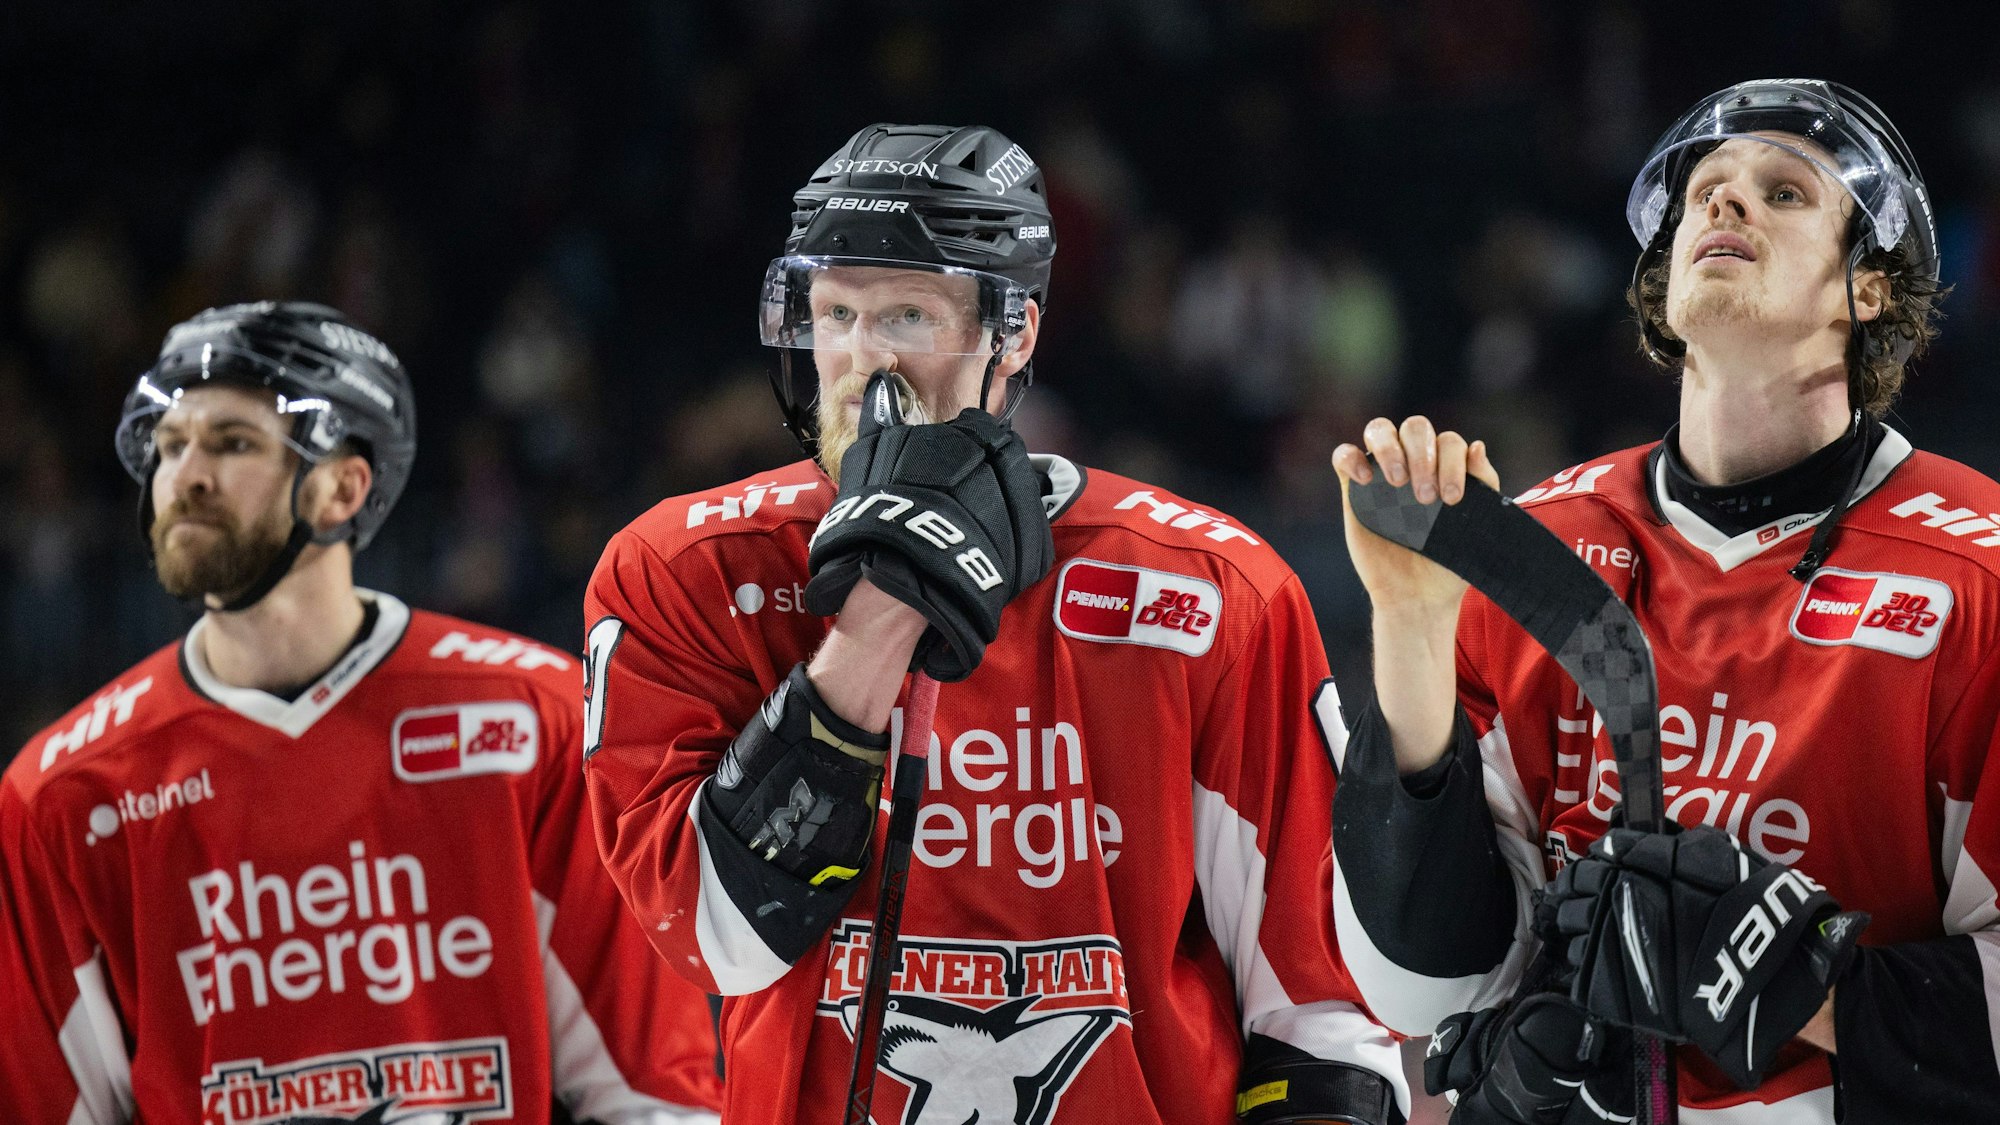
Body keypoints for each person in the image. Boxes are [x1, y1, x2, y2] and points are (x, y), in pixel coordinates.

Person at [581, 123, 1407, 1124]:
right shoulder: (684, 571)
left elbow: (1320, 1013)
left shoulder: (1209, 591)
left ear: (1012, 334)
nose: (859, 360)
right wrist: (874, 621)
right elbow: (714, 938)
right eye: (835, 313)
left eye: (906, 317)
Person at [1328, 78, 1996, 1122]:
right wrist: (1411, 628)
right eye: (1705, 191)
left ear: (1866, 289)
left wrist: (1798, 979)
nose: (1725, 205)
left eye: (1782, 194)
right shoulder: (1534, 547)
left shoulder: (1978, 576)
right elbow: (1421, 990)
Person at [0, 302, 723, 1125]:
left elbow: (657, 1101)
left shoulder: (539, 722)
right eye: (169, 446)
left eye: (232, 443)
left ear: (344, 486)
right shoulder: (64, 794)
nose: (185, 474)